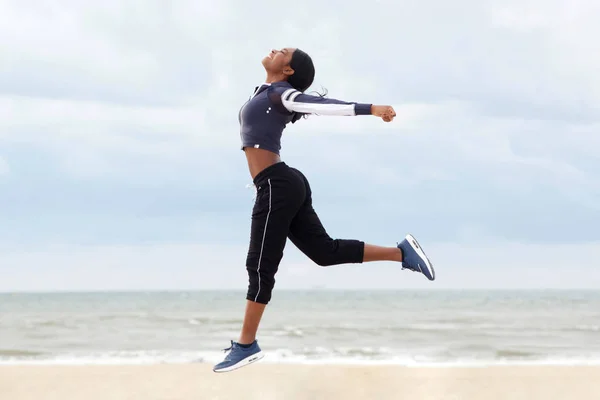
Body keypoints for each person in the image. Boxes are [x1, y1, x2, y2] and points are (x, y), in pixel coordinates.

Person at [212, 48, 435, 373]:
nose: (275, 50)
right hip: (281, 184)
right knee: (323, 252)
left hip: (278, 185)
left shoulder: (282, 95)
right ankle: (401, 253)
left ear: (287, 70)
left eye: (283, 52)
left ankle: (246, 345)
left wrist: (372, 109)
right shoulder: (265, 91)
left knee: (259, 266)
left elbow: (324, 106)